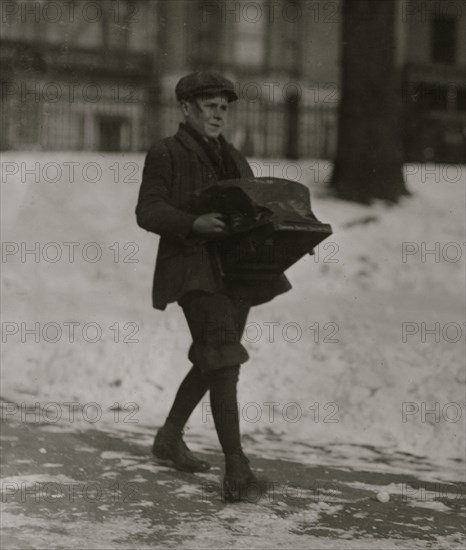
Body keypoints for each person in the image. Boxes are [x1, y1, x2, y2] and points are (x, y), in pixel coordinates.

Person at [135, 71, 291, 501]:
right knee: (223, 361)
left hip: (235, 272)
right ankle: (237, 472)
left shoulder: (236, 158)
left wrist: (290, 234)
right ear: (186, 108)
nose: (219, 112)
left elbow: (253, 211)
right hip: (191, 269)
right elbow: (147, 211)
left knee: (213, 360)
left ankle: (168, 438)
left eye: (224, 105)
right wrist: (192, 223)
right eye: (209, 104)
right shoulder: (166, 152)